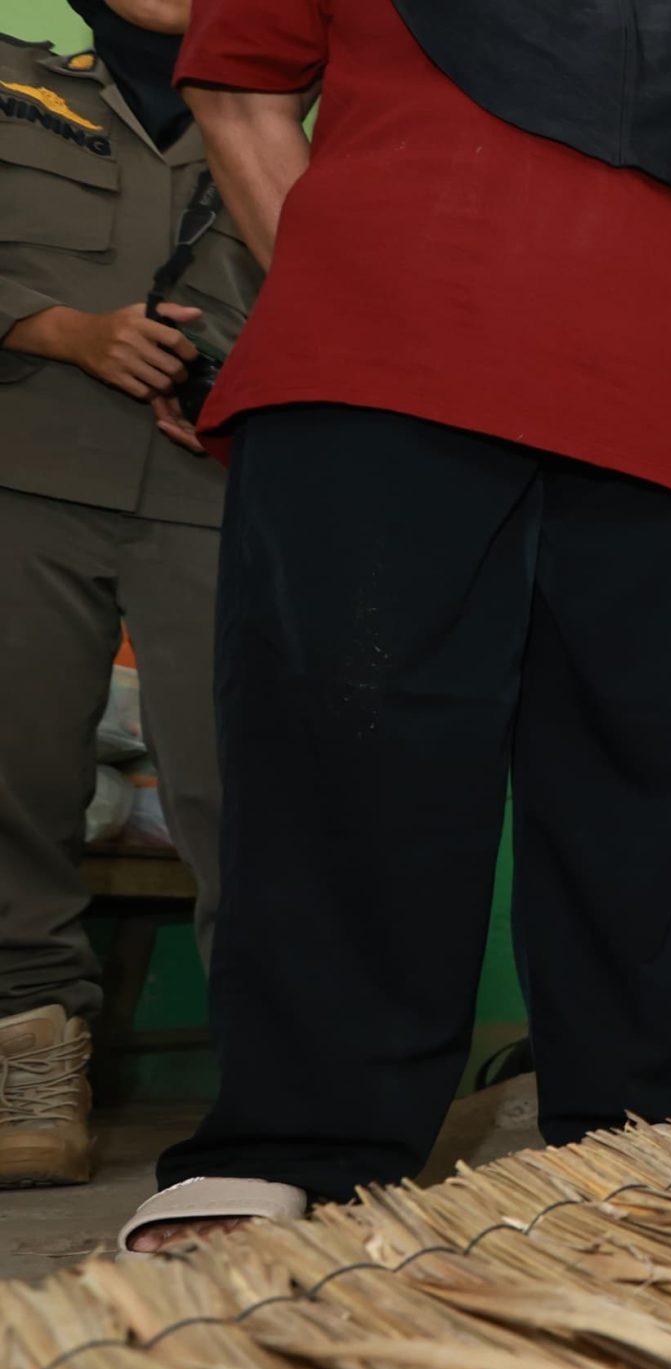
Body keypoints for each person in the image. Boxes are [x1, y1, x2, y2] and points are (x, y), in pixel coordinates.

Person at [119, 0, 671, 1251]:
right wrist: (355, 292)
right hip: (388, 383)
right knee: (352, 748)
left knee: (650, 798)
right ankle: (300, 1142)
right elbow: (236, 85)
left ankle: (654, 1136)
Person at [0, 0, 262, 1188]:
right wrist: (64, 331)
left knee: (240, 787)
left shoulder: (283, 106)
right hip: (28, 471)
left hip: (219, 486)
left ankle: (274, 1075)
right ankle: (30, 1052)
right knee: (17, 769)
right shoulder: (12, 83)